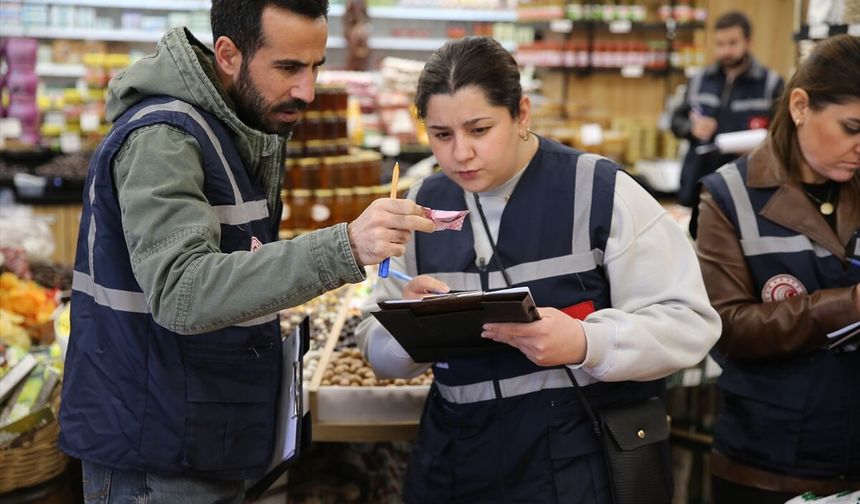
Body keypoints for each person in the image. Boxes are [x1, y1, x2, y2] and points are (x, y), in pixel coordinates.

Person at [58, 1, 435, 502]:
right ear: (229, 54)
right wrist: (344, 245)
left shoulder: (230, 126)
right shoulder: (164, 140)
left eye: (315, 67)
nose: (307, 91)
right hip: (156, 453)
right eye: (288, 68)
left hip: (199, 430)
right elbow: (181, 291)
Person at [355, 36, 722, 502]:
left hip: (578, 461)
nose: (460, 153)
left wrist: (587, 342)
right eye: (442, 135)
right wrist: (409, 331)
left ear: (522, 113)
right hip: (455, 465)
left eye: (479, 129)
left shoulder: (601, 190)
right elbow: (373, 344)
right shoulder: (417, 207)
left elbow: (689, 322)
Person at [695, 34, 860, 503]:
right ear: (801, 106)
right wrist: (848, 305)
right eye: (851, 127)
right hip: (769, 463)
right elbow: (726, 327)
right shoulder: (730, 196)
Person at [671, 11, 784, 238]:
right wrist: (691, 129)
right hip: (698, 183)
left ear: (748, 42)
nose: (726, 51)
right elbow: (676, 121)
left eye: (733, 43)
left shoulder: (771, 84)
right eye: (720, 44)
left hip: (748, 187)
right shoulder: (699, 80)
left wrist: (761, 143)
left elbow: (783, 134)